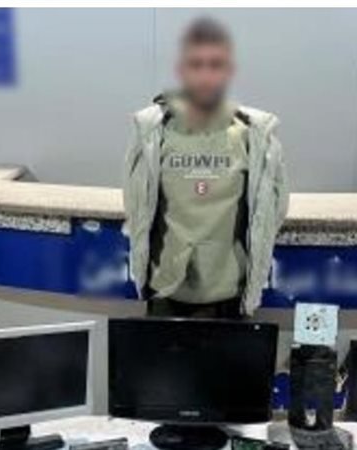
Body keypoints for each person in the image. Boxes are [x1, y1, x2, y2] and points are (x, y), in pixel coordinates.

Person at [123, 17, 288, 318]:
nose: (205, 75)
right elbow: (136, 206)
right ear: (181, 70)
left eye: (215, 65)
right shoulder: (152, 132)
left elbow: (273, 211)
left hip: (231, 294)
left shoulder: (255, 136)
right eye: (196, 64)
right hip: (166, 290)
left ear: (228, 71)